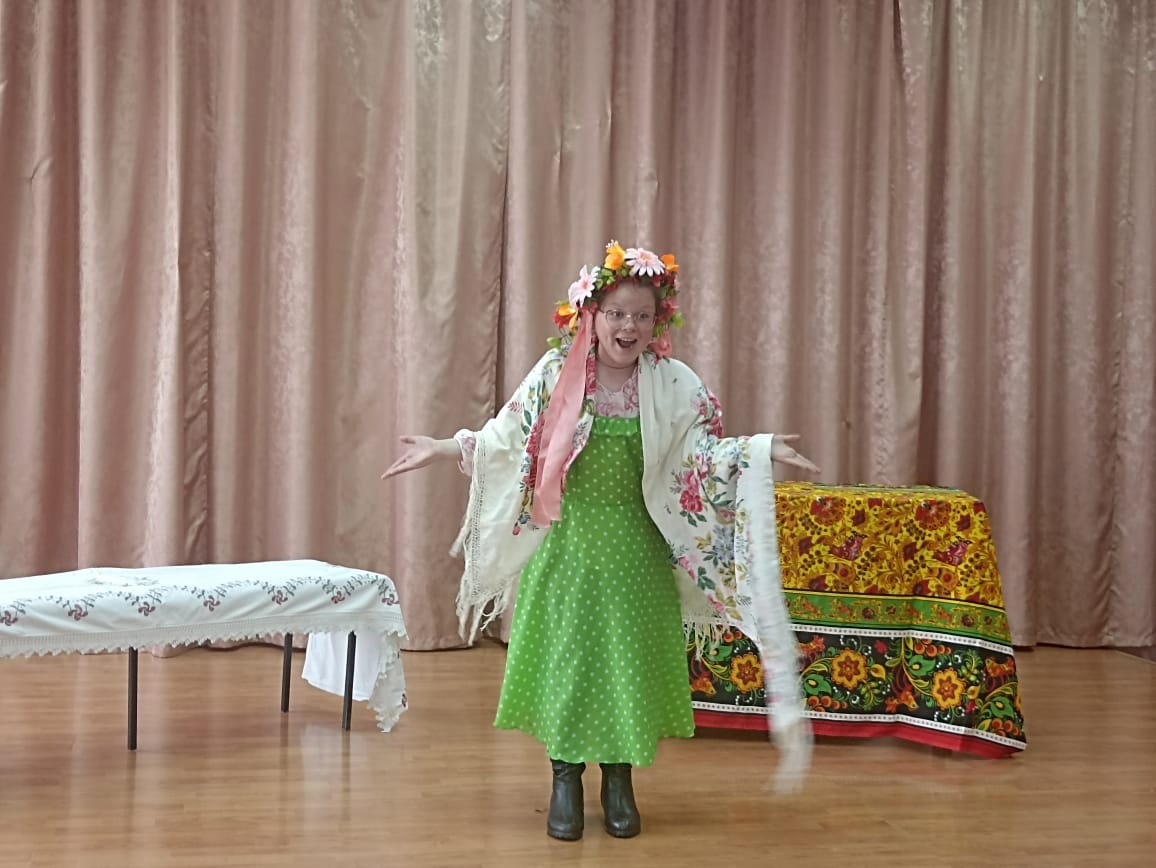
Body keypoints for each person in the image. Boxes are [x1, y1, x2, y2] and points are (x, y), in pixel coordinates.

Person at [382, 241, 819, 841]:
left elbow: (699, 455)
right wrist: (443, 448)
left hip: (637, 553)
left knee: (625, 667)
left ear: (658, 321)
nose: (628, 326)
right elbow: (507, 438)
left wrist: (756, 452)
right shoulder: (554, 375)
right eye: (616, 313)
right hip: (568, 548)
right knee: (570, 663)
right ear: (591, 314)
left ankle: (618, 779)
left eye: (642, 315)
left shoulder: (674, 384)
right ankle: (564, 777)